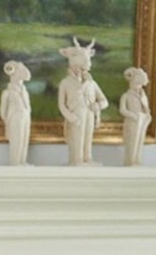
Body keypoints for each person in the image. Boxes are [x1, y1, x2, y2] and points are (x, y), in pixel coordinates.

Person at [57, 37, 108, 166]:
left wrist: (97, 105)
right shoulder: (65, 83)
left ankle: (87, 157)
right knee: (76, 138)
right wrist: (70, 116)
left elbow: (104, 101)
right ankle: (76, 159)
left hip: (89, 113)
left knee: (87, 137)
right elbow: (61, 104)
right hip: (76, 115)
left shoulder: (92, 83)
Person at [0, 60, 32, 166]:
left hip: (25, 116)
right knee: (16, 141)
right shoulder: (7, 93)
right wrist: (9, 120)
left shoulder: (24, 91)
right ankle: (15, 162)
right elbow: (3, 111)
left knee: (24, 140)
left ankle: (22, 161)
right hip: (15, 117)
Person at [120, 66, 152, 166]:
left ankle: (137, 159)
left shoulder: (143, 96)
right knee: (132, 141)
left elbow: (146, 107)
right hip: (132, 121)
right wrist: (133, 116)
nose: (138, 87)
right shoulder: (126, 96)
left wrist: (147, 115)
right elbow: (123, 110)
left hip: (142, 120)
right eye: (136, 84)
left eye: (140, 85)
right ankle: (131, 160)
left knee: (140, 140)